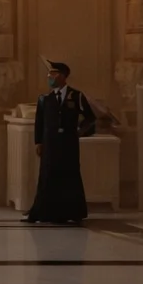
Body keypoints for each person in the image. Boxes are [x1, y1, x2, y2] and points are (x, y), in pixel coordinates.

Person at [25, 60, 95, 225]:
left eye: (53, 74)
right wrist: (38, 142)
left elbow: (90, 118)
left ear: (63, 76)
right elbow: (39, 123)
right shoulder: (45, 99)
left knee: (69, 175)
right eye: (49, 74)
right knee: (47, 176)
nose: (50, 77)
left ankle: (72, 212)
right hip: (50, 144)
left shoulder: (76, 96)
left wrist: (80, 132)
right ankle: (43, 212)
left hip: (68, 144)